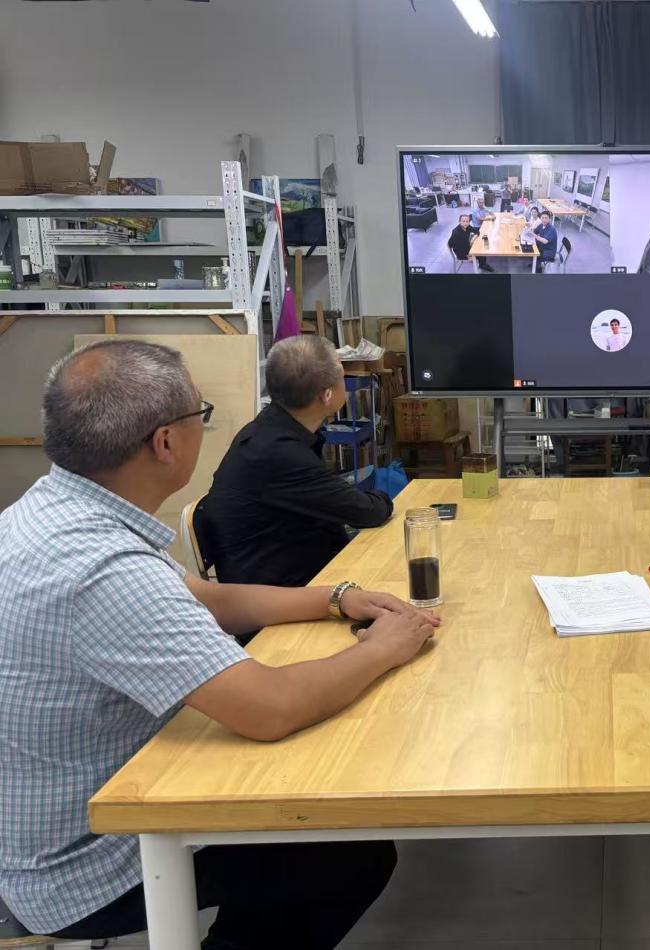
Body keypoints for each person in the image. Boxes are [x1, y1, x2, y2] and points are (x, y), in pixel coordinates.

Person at [0, 340, 439, 948]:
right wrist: (384, 647)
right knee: (349, 856)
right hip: (90, 864)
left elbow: (205, 598)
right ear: (165, 442)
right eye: (198, 415)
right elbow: (269, 708)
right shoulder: (102, 569)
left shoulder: (56, 513)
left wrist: (335, 598)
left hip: (57, 825)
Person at [204, 335, 393, 598]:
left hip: (291, 570)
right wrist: (381, 497)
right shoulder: (279, 453)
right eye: (342, 375)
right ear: (327, 395)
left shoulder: (269, 429)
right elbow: (367, 511)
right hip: (278, 597)